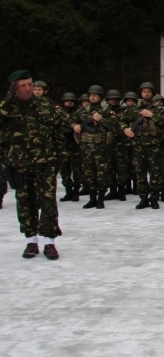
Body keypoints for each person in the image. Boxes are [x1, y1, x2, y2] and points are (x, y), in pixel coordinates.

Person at [0, 70, 64, 259]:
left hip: (45, 163)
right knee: (25, 203)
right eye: (23, 85)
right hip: (20, 164)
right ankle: (31, 241)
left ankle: (49, 242)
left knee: (48, 202)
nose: (29, 89)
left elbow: (58, 129)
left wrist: (60, 155)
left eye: (30, 84)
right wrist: (7, 101)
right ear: (14, 88)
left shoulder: (45, 106)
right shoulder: (8, 108)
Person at [121, 82, 164, 209]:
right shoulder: (134, 109)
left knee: (155, 173)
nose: (146, 94)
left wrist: (152, 115)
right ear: (141, 93)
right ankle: (143, 198)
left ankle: (154, 198)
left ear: (152, 93)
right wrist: (125, 129)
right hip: (138, 146)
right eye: (144, 91)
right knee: (140, 173)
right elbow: (121, 119)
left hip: (154, 146)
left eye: (149, 91)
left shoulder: (158, 109)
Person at [70, 85, 118, 209]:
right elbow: (71, 119)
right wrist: (75, 125)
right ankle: (92, 198)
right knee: (89, 173)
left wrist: (101, 119)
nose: (92, 97)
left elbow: (115, 127)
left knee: (102, 174)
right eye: (90, 95)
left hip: (101, 148)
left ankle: (101, 199)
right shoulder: (83, 111)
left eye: (95, 95)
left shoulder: (106, 111)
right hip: (86, 148)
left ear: (100, 97)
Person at [56, 92, 82, 202]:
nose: (69, 102)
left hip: (76, 146)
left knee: (77, 170)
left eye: (71, 100)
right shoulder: (58, 112)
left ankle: (76, 191)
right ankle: (68, 191)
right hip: (63, 146)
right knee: (64, 170)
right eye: (67, 101)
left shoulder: (79, 113)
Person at [104, 89, 127, 201]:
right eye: (111, 99)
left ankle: (121, 191)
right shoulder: (104, 111)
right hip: (108, 143)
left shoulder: (123, 111)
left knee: (121, 168)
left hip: (121, 143)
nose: (113, 101)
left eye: (115, 99)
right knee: (109, 168)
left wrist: (104, 122)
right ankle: (112, 191)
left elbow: (118, 126)